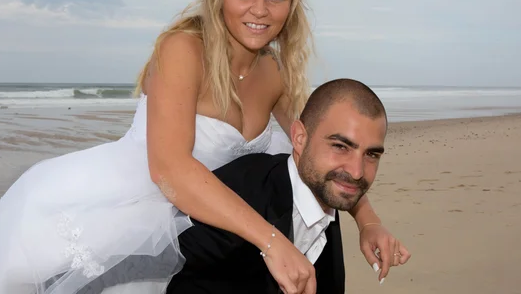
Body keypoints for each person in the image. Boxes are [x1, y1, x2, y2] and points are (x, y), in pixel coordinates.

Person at [0, 0, 408, 294]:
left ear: (292, 6)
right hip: (118, 211)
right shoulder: (183, 49)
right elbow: (169, 168)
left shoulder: (275, 76)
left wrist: (368, 220)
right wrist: (272, 243)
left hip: (202, 228)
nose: (260, 10)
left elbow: (317, 151)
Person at [67, 78, 408, 294]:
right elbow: (138, 264)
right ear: (300, 138)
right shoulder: (239, 205)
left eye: (372, 154)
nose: (357, 171)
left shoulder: (326, 199)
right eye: (340, 146)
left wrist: (369, 221)